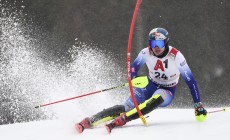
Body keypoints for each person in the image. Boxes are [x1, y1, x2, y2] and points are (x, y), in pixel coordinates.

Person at [75, 27, 207, 134]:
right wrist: (134, 78)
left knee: (156, 98)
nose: (156, 47)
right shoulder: (146, 53)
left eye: (159, 43)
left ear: (166, 42)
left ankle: (122, 120)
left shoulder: (176, 56)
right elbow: (133, 69)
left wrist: (198, 105)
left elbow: (191, 82)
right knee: (125, 107)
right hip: (149, 85)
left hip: (167, 90)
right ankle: (89, 121)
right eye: (152, 43)